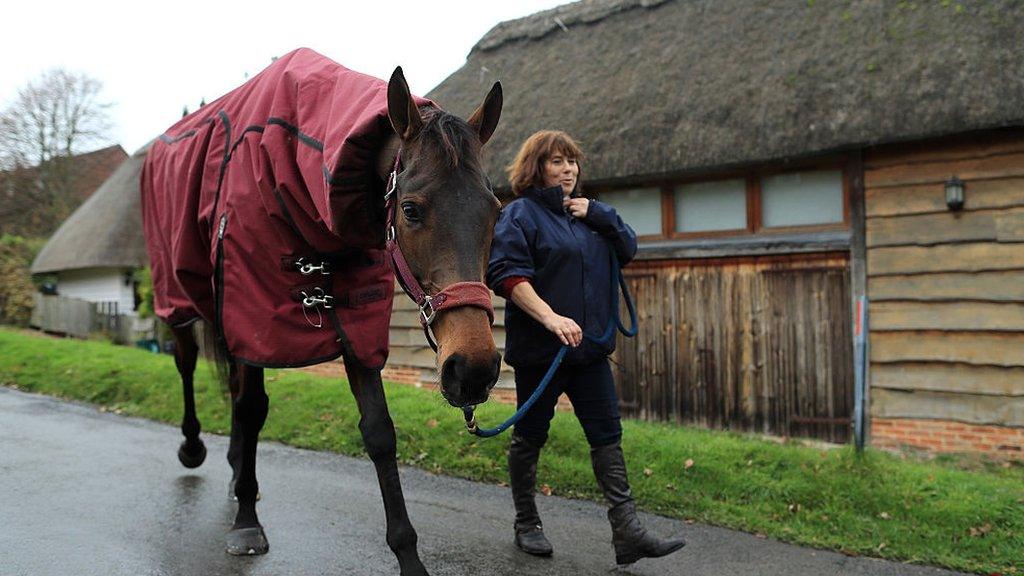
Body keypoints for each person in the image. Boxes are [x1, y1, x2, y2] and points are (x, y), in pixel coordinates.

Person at [486, 130, 685, 565]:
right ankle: (527, 523)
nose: (568, 169)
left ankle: (627, 533)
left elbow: (628, 247)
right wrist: (551, 318)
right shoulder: (519, 215)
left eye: (572, 161)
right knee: (531, 436)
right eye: (557, 161)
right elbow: (507, 276)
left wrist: (599, 213)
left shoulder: (587, 217)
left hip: (591, 351)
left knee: (607, 435)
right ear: (536, 168)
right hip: (543, 354)